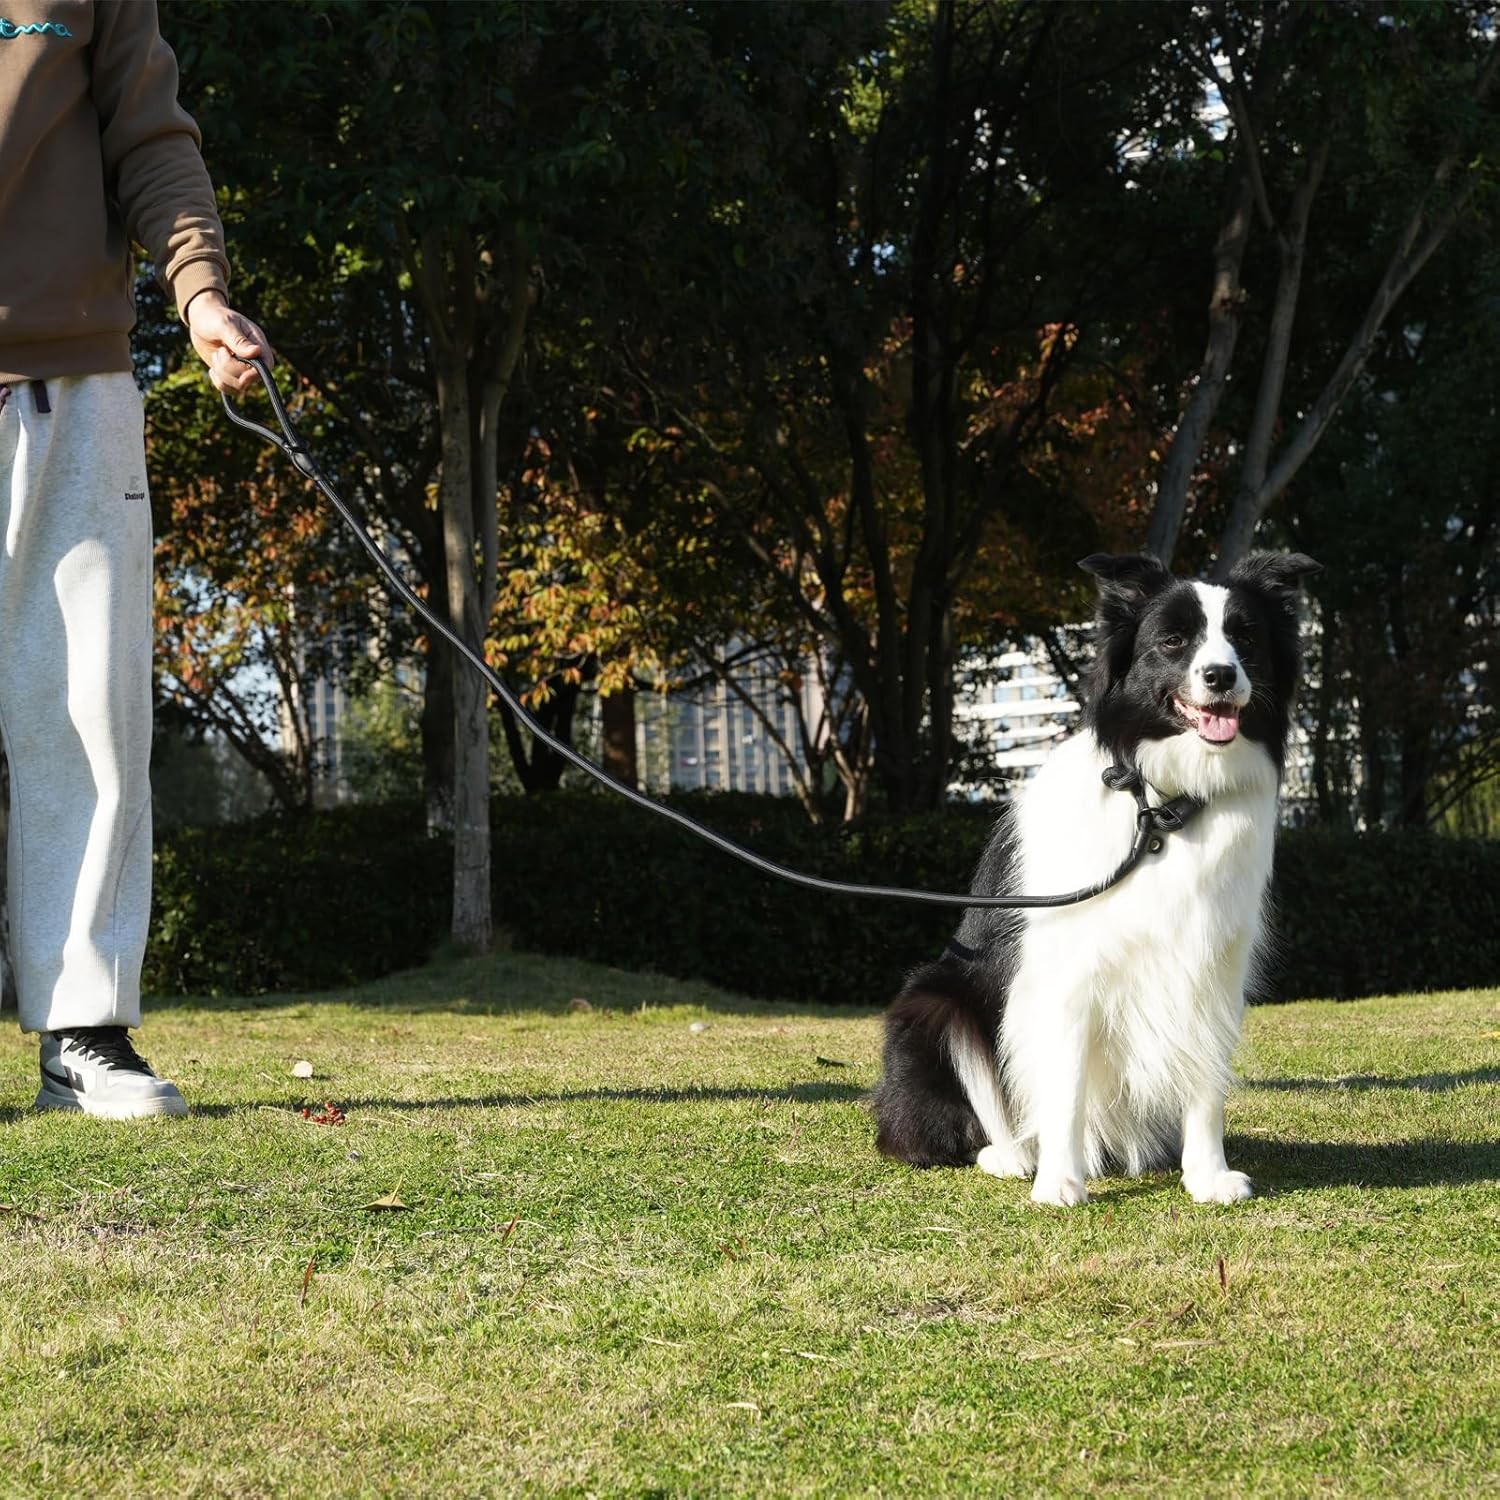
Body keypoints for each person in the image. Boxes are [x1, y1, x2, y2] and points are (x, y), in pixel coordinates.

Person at [0, 1, 269, 1116]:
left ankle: (83, 1034)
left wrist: (200, 293)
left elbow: (151, 133)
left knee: (89, 715)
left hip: (76, 377)